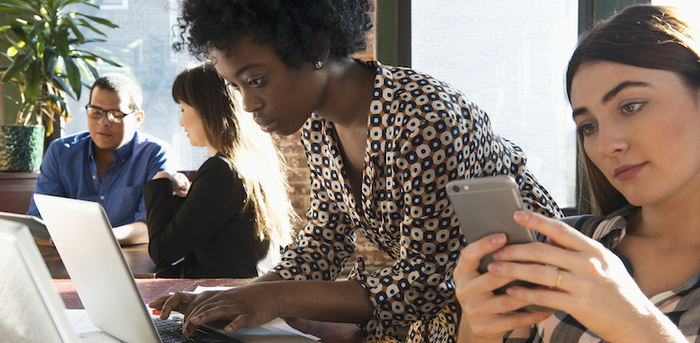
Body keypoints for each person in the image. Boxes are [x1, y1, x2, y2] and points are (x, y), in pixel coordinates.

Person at [149, 1, 561, 342]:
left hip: (536, 300)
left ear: (314, 47)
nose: (248, 103)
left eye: (256, 80)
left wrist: (275, 300)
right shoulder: (318, 125)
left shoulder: (424, 118)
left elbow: (426, 283)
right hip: (460, 303)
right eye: (236, 87)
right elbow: (322, 245)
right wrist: (233, 298)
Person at [455, 5, 700, 343]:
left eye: (631, 106)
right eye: (588, 126)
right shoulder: (557, 251)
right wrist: (476, 330)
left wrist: (635, 324)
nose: (605, 145)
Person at [142, 62, 298, 278]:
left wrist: (161, 182)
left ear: (207, 109)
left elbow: (163, 251)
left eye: (183, 109)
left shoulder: (221, 171)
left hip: (231, 298)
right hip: (249, 291)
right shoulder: (248, 162)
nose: (180, 121)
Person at [26, 73, 179, 245]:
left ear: (137, 118)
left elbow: (152, 227)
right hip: (71, 259)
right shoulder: (60, 152)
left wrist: (93, 238)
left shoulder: (156, 154)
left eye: (115, 114)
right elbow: (39, 220)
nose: (103, 122)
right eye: (96, 112)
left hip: (134, 264)